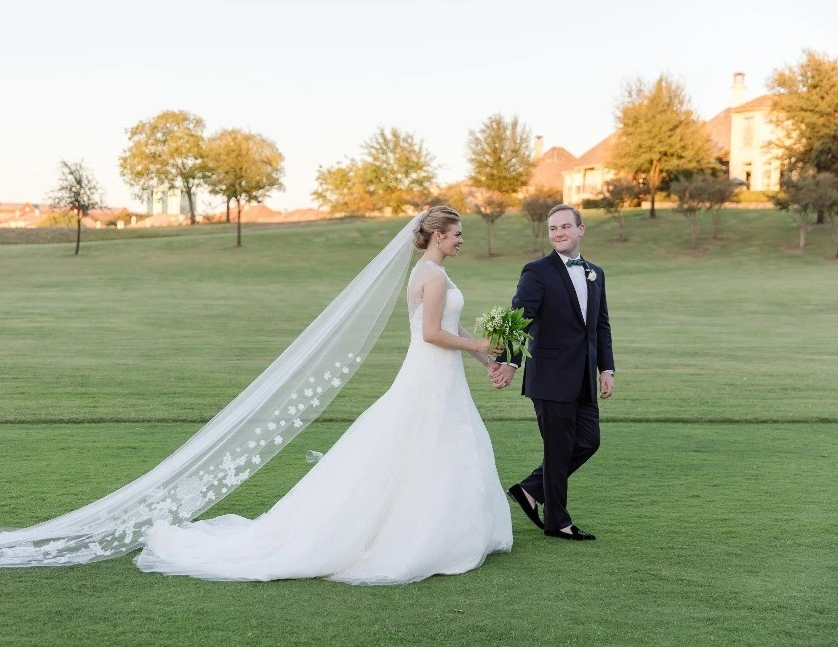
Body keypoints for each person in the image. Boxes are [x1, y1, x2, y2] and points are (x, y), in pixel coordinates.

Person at [135, 206, 513, 584]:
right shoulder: (429, 275)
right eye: (457, 233)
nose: (462, 240)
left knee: (439, 444)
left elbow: (453, 325)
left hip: (443, 374)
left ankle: (449, 528)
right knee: (418, 442)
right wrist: (477, 343)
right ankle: (416, 534)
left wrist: (486, 358)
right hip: (430, 372)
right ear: (437, 236)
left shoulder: (437, 273)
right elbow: (432, 333)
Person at [489, 204, 615, 541]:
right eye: (552, 229)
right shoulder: (537, 271)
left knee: (589, 441)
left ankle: (529, 490)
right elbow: (521, 318)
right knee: (557, 450)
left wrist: (607, 368)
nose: (558, 233)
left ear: (581, 229)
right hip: (550, 376)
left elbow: (600, 325)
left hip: (586, 377)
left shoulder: (595, 273)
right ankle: (557, 521)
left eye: (564, 227)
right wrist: (511, 363)